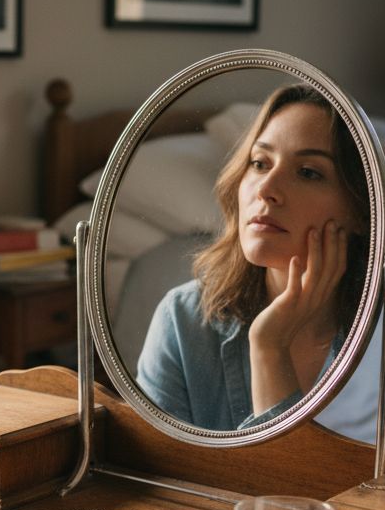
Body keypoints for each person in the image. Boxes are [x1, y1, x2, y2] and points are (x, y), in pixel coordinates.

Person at [136, 84, 369, 430]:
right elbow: (157, 475)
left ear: (361, 210)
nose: (266, 189)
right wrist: (269, 344)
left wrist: (269, 349)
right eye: (259, 163)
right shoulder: (184, 322)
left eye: (308, 172)